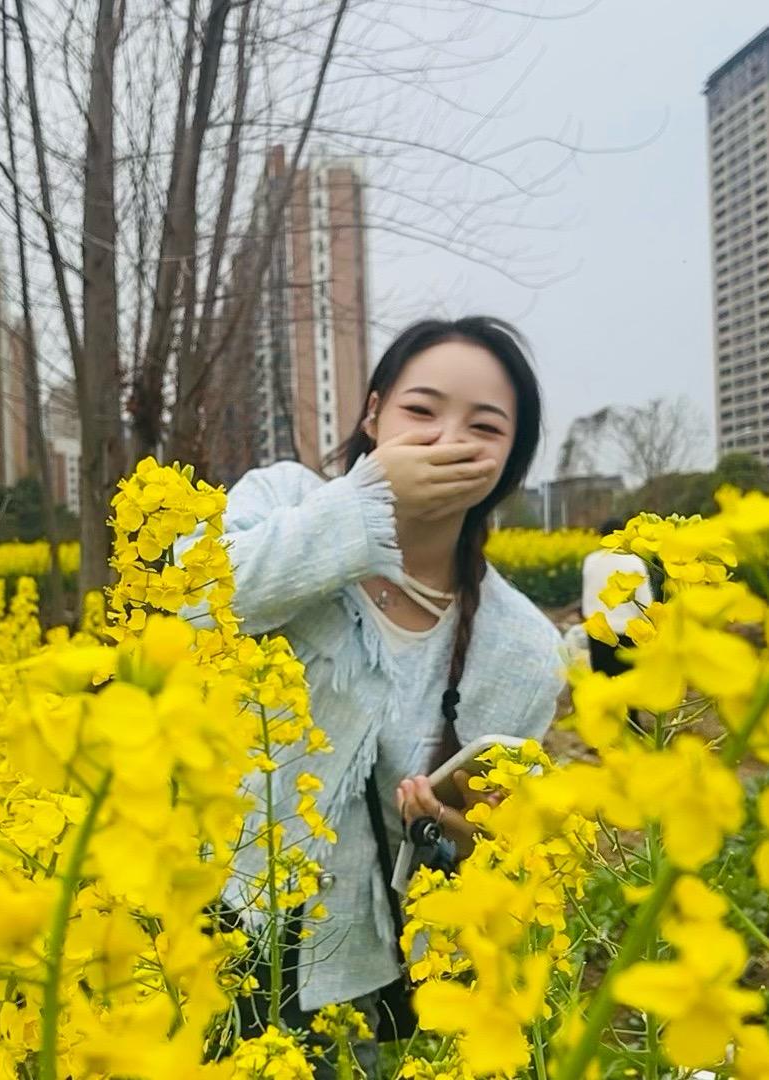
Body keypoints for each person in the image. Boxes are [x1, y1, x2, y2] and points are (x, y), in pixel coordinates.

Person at [192, 318, 563, 1076]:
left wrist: (463, 837)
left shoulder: (521, 649)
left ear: (510, 462)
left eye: (484, 427)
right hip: (201, 933)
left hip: (360, 981)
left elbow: (486, 848)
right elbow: (193, 603)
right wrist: (363, 506)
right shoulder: (283, 502)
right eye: (421, 412)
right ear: (372, 416)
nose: (445, 439)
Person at [581, 516, 654, 679]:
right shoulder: (634, 562)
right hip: (629, 632)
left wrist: (588, 618)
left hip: (598, 631)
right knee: (630, 687)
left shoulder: (591, 561)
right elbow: (644, 601)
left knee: (605, 685)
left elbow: (588, 595)